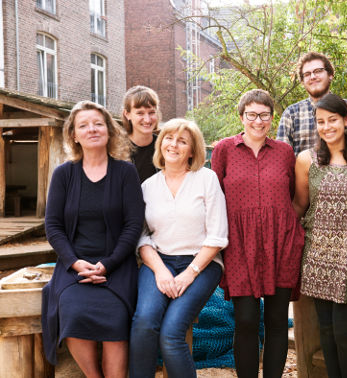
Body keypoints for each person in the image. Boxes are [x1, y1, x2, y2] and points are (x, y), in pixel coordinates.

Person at [41, 101, 145, 377]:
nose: (92, 129)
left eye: (98, 123)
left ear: (110, 130)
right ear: (74, 135)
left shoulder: (125, 172)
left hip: (117, 264)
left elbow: (134, 226)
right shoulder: (64, 174)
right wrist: (75, 263)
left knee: (116, 317)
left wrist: (108, 264)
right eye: (83, 125)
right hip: (74, 265)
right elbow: (53, 226)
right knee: (72, 310)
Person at [211, 89, 304, 378]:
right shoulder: (224, 149)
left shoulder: (285, 152)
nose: (258, 121)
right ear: (241, 117)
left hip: (280, 243)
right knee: (247, 320)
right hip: (239, 244)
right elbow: (215, 196)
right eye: (251, 114)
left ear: (272, 118)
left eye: (264, 115)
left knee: (277, 320)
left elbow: (291, 196)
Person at [128, 119, 228, 378]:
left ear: (192, 151)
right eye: (169, 139)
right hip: (158, 261)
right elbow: (142, 238)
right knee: (143, 324)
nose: (173, 145)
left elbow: (218, 236)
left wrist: (190, 273)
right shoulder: (147, 187)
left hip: (202, 264)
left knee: (171, 333)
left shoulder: (206, 179)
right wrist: (161, 271)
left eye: (182, 141)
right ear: (160, 145)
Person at [294, 93, 347, 378]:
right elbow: (299, 205)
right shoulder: (306, 160)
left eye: (332, 120)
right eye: (320, 122)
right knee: (327, 331)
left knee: (345, 332)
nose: (326, 126)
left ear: (346, 121)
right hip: (318, 256)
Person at [277, 52, 335, 154]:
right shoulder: (291, 114)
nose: (312, 76)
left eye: (318, 71)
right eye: (307, 74)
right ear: (302, 81)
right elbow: (281, 159)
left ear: (330, 75)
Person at [122, 85, 161, 183]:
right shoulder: (116, 149)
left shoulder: (164, 147)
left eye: (151, 112)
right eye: (140, 113)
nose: (147, 120)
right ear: (127, 114)